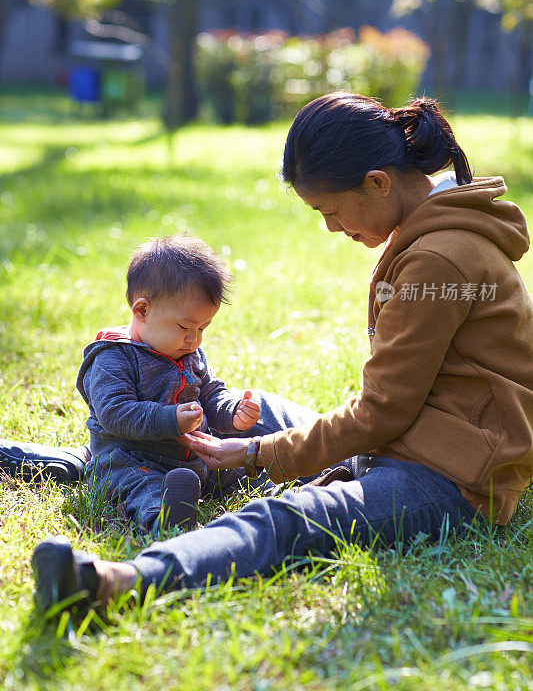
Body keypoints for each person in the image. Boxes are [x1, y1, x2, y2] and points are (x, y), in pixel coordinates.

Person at [32, 93, 533, 612]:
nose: (331, 227)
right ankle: (117, 462)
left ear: (378, 182)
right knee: (259, 411)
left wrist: (257, 455)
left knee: (288, 519)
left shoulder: (438, 259)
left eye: (330, 210)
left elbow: (382, 412)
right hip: (416, 436)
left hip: (451, 475)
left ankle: (118, 581)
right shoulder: (436, 233)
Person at [76, 234, 275, 532]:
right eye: (184, 326)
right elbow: (114, 412)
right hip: (131, 460)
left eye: (203, 327)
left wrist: (232, 411)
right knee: (143, 488)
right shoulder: (113, 357)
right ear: (142, 311)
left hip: (194, 460)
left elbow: (209, 391)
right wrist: (170, 419)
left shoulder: (188, 351)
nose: (194, 338)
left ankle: (295, 494)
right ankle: (167, 521)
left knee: (247, 470)